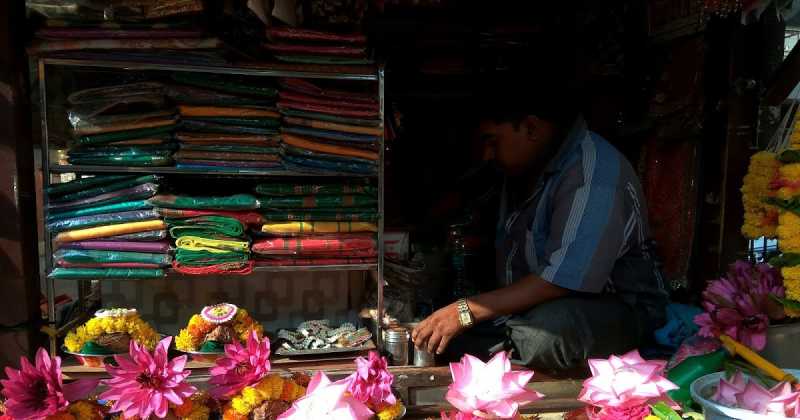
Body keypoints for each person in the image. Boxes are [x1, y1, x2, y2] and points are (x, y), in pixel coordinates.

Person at [411, 83, 670, 372]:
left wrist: (465, 311)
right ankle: (498, 344)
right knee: (454, 330)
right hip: (534, 308)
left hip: (617, 309)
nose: (487, 155)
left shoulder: (593, 174)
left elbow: (561, 280)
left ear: (531, 128)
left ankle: (501, 347)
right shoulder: (522, 170)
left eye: (492, 142)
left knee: (542, 335)